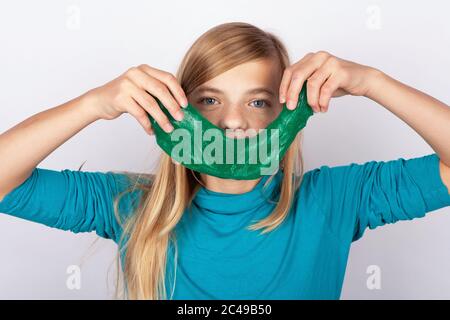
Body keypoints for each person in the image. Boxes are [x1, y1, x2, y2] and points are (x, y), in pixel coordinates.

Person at [0, 22, 449, 300]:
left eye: (257, 102)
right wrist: (94, 104)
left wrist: (373, 82)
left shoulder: (335, 200)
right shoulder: (130, 204)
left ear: (284, 112)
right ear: (181, 108)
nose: (232, 122)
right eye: (210, 99)